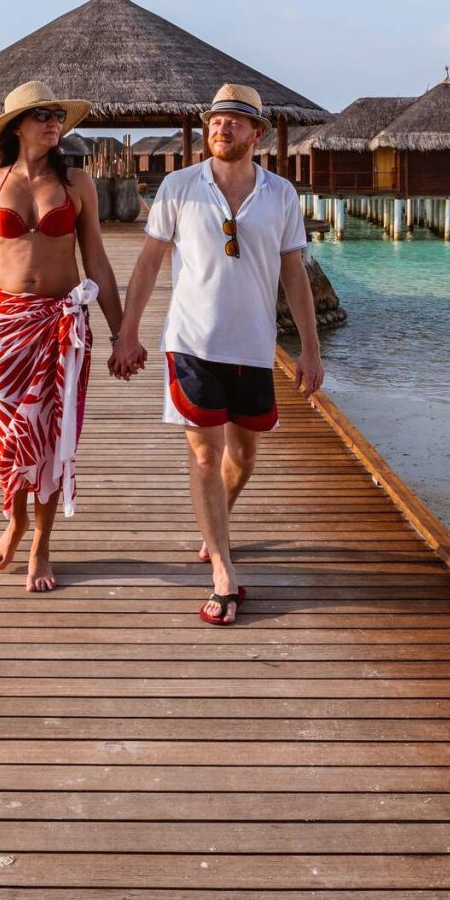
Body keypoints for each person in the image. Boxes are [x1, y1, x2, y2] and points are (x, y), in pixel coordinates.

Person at [114, 83, 323, 625]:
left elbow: (295, 275)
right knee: (205, 456)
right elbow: (148, 263)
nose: (222, 128)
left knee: (244, 458)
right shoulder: (179, 187)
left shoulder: (281, 195)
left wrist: (311, 351)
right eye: (215, 120)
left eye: (234, 121)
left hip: (253, 346)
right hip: (191, 344)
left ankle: (216, 526)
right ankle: (224, 574)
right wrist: (128, 332)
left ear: (258, 133)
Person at [0, 80, 130, 592]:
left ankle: (40, 543)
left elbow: (97, 261)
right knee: (9, 437)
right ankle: (13, 520)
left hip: (62, 329)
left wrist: (122, 332)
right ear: (17, 126)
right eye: (42, 116)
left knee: (54, 439)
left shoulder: (77, 183)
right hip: (4, 327)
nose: (53, 122)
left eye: (57, 115)